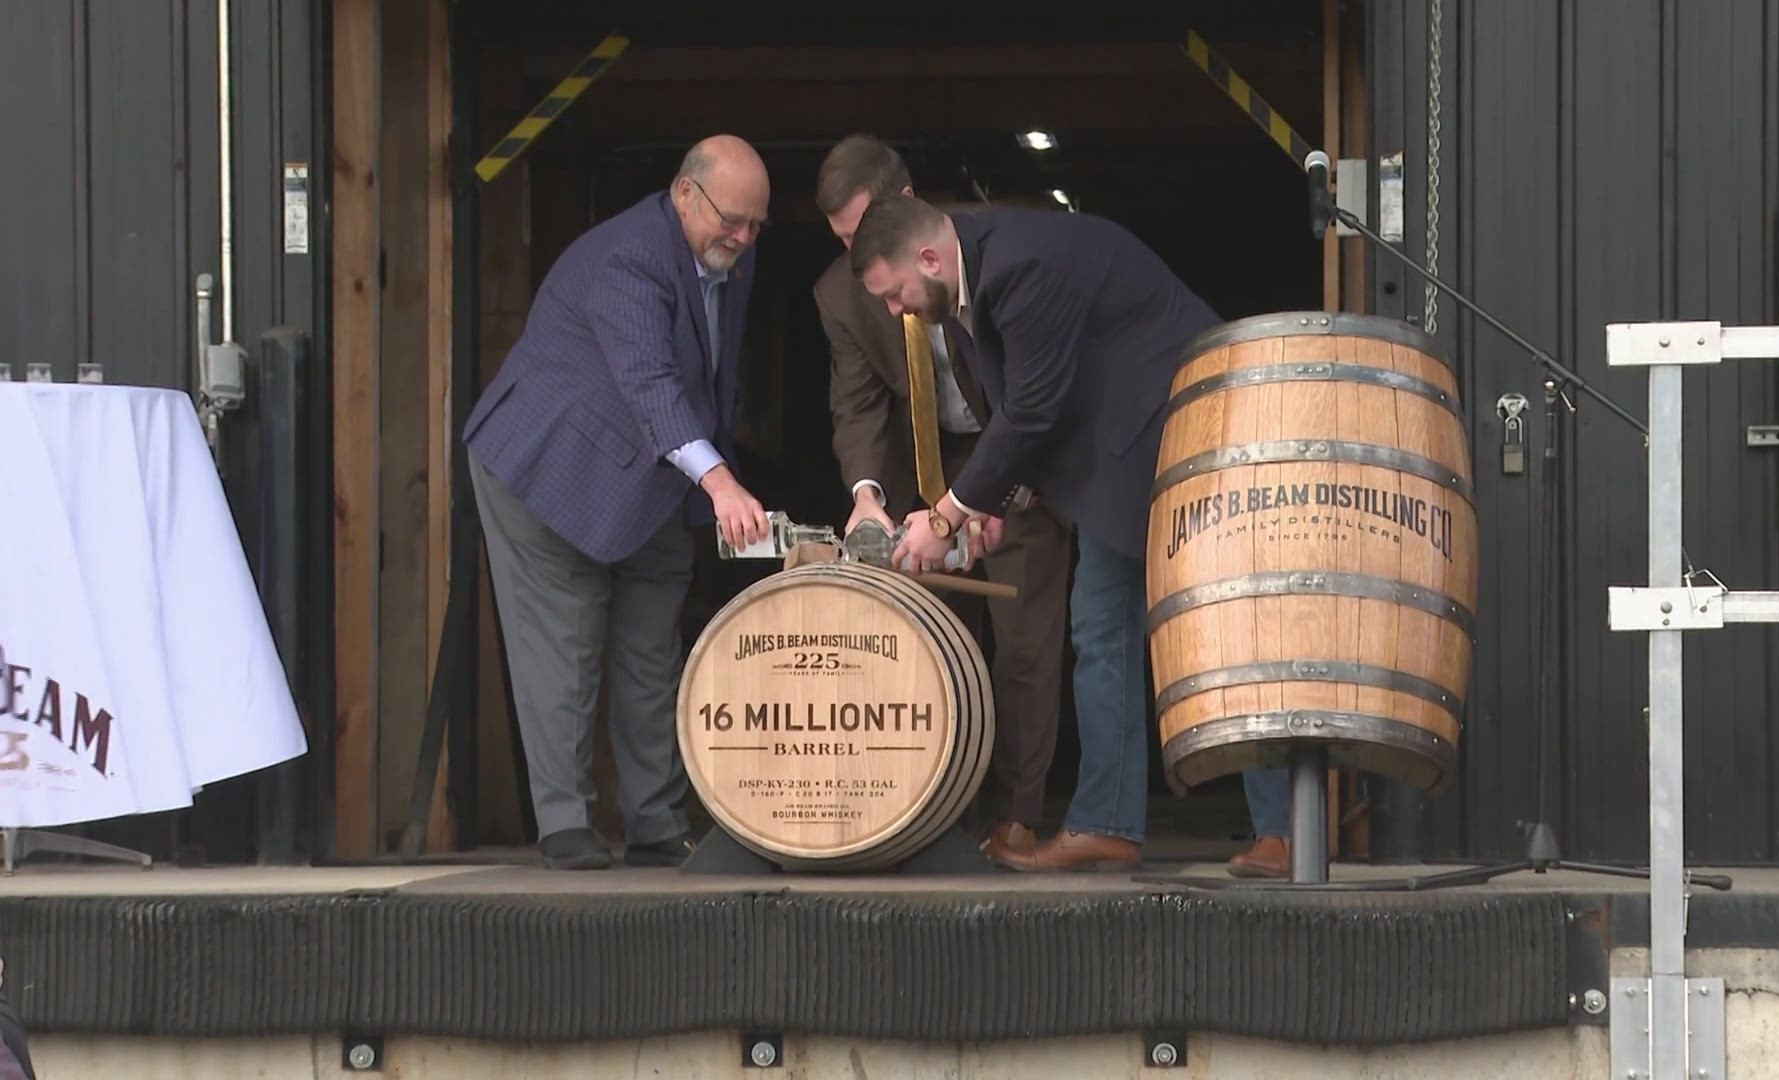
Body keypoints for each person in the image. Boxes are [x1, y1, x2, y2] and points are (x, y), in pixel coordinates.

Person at [848, 192, 1295, 875]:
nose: (894, 310)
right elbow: (1036, 400)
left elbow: (1031, 411)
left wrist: (945, 516)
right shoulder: (977, 271)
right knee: (1103, 625)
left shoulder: (1018, 268)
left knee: (1230, 627)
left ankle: (1278, 833)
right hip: (1129, 450)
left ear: (929, 258)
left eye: (895, 291)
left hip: (1191, 435)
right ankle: (1115, 824)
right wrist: (990, 503)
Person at [463, 134, 773, 871]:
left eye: (757, 223)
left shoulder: (735, 251)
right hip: (551, 469)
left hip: (659, 475)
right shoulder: (628, 257)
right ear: (684, 194)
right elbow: (650, 382)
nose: (744, 236)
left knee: (652, 648)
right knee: (565, 647)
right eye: (732, 218)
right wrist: (720, 480)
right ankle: (565, 823)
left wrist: (703, 474)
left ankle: (656, 823)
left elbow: (715, 375)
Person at [810, 135, 1074, 861]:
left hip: (1014, 457)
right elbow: (856, 405)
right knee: (927, 647)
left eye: (863, 232)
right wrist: (867, 497)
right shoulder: (839, 292)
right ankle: (933, 813)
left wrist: (983, 494)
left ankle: (1015, 816)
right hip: (921, 474)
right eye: (841, 241)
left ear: (906, 207)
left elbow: (1029, 399)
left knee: (1024, 642)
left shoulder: (977, 251)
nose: (858, 256)